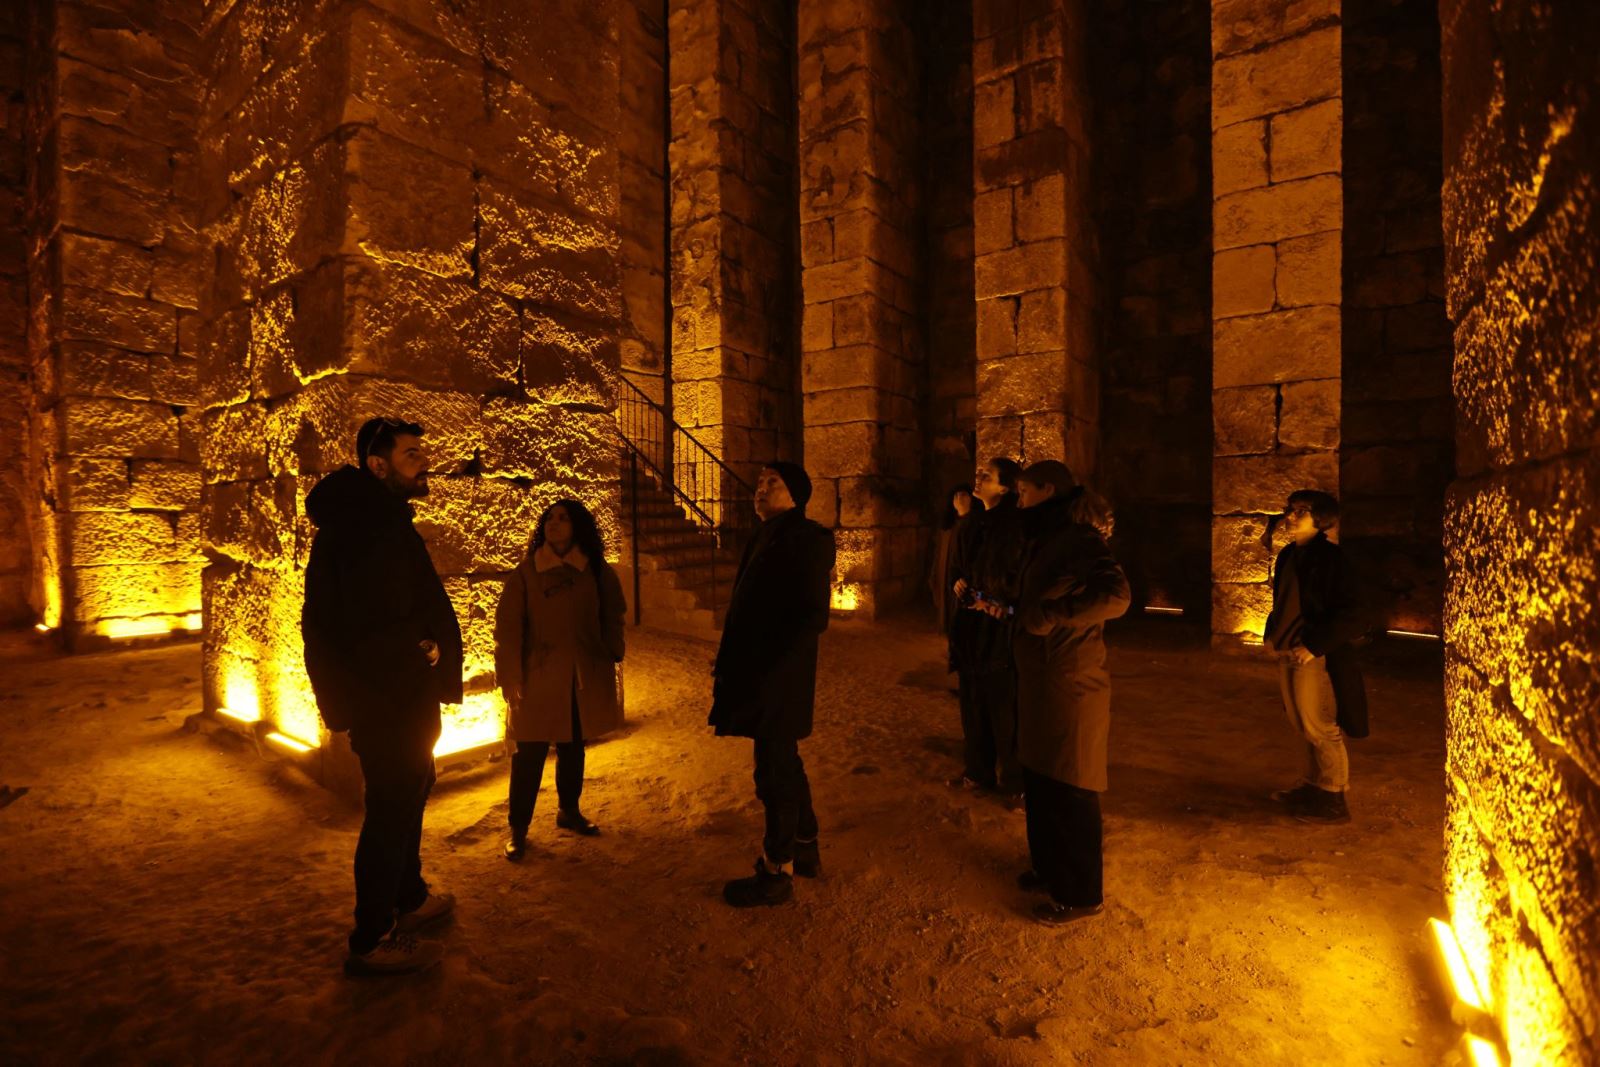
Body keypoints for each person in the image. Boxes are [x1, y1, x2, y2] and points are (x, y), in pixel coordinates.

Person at [302, 416, 463, 976]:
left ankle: (408, 896)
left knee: (411, 791)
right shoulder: (362, 528)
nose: (424, 462)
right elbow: (362, 624)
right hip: (386, 699)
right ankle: (372, 938)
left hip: (403, 696)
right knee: (391, 807)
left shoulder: (379, 519)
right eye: (411, 454)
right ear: (378, 465)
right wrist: (425, 652)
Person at [1005, 460, 1129, 926]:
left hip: (1069, 681)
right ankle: (1048, 868)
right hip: (1043, 678)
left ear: (1048, 490)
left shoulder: (1077, 539)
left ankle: (1080, 894)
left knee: (1071, 782)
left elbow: (1116, 595)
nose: (1019, 498)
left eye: (1024, 490)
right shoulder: (1047, 539)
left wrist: (1053, 614)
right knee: (1041, 776)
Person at [709, 462, 836, 908]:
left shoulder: (806, 539)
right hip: (763, 672)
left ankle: (776, 871)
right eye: (760, 482)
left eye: (773, 483)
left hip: (777, 677)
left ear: (795, 495)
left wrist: (772, 668)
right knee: (784, 762)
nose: (760, 489)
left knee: (774, 772)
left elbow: (811, 616)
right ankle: (805, 846)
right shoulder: (768, 534)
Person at [494, 499, 627, 859]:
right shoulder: (526, 574)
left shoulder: (595, 571)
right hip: (538, 675)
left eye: (563, 518)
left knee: (573, 747)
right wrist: (510, 675)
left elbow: (614, 610)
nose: (554, 523)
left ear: (577, 526)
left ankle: (569, 810)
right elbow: (508, 629)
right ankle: (518, 828)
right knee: (529, 753)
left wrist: (612, 647)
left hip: (580, 676)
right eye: (549, 518)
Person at [1262, 489, 1369, 824]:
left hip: (1313, 654)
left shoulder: (1332, 559)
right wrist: (1271, 633)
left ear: (1320, 518)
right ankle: (1313, 786)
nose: (1290, 516)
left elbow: (1356, 613)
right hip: (1288, 649)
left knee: (1319, 724)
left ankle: (1333, 796)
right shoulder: (1288, 555)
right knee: (1301, 723)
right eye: (1290, 509)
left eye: (1301, 511)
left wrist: (1314, 646)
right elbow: (1283, 601)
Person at [947, 457, 1026, 802]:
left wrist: (991, 600)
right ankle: (978, 771)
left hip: (997, 629)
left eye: (987, 475)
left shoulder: (1014, 527)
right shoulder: (975, 522)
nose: (977, 478)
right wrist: (959, 583)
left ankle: (1015, 783)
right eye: (978, 472)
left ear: (1005, 487)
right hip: (972, 630)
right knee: (973, 704)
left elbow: (1012, 577)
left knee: (1003, 710)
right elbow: (959, 566)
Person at [929, 484, 979, 634]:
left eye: (963, 494)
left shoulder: (976, 525)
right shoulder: (948, 526)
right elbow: (939, 552)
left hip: (962, 577)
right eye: (956, 495)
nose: (959, 498)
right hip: (945, 572)